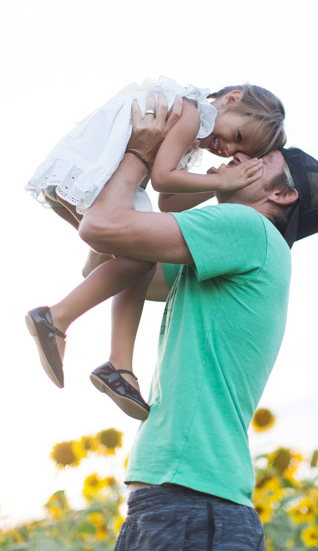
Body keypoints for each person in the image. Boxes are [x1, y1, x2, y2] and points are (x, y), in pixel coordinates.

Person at [73, 98, 318, 550]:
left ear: (281, 193)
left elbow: (104, 227)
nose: (237, 157)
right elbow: (112, 260)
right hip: (185, 501)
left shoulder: (246, 228)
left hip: (190, 505)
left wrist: (139, 153)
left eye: (259, 159)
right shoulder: (233, 251)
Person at [25, 78, 286, 419]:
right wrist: (223, 181)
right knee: (143, 255)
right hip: (101, 166)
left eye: (240, 151)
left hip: (88, 168)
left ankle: (118, 363)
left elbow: (169, 202)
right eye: (237, 136)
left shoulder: (193, 131)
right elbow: (162, 178)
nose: (225, 149)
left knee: (137, 257)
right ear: (232, 99)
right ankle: (58, 319)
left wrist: (220, 180)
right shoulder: (191, 114)